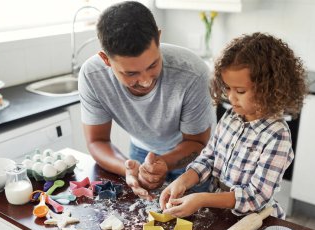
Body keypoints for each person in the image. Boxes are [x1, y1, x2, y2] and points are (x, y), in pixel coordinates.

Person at [159, 32, 308, 219]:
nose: (230, 97)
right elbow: (209, 157)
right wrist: (183, 180)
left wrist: (202, 200)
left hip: (253, 220)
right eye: (227, 88)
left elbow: (256, 196)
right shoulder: (231, 116)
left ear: (268, 89)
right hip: (220, 214)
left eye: (240, 91)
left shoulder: (277, 136)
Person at [78, 1, 215, 200]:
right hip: (140, 153)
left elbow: (196, 141)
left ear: (158, 38)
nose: (145, 81)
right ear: (106, 59)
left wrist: (164, 163)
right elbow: (97, 141)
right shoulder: (92, 76)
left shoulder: (192, 73)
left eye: (153, 65)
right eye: (131, 73)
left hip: (194, 160)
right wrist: (127, 169)